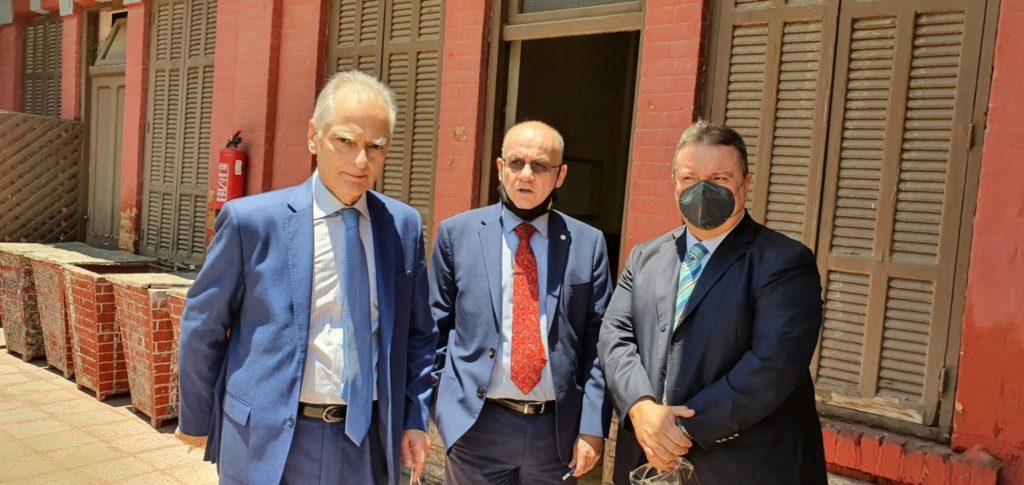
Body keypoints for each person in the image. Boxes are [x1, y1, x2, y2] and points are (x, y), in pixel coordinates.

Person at [175, 70, 437, 485]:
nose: (361, 161)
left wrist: (414, 417)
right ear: (314, 137)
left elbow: (419, 334)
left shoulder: (401, 226)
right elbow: (203, 323)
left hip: (365, 444)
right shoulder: (251, 222)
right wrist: (196, 416)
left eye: (375, 146)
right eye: (345, 141)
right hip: (269, 440)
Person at [598, 120, 827, 484]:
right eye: (689, 178)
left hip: (739, 468)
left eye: (719, 179)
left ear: (745, 184)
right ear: (674, 183)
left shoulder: (783, 262)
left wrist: (677, 431)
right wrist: (640, 408)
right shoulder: (645, 257)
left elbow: (772, 365)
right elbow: (615, 336)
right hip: (646, 462)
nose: (702, 191)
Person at [430, 121, 612, 484]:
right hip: (476, 429)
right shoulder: (457, 234)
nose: (526, 175)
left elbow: (599, 345)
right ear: (500, 168)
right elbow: (433, 330)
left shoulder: (587, 244)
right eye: (516, 163)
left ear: (560, 176)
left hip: (555, 436)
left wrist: (592, 427)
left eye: (540, 166)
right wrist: (445, 410)